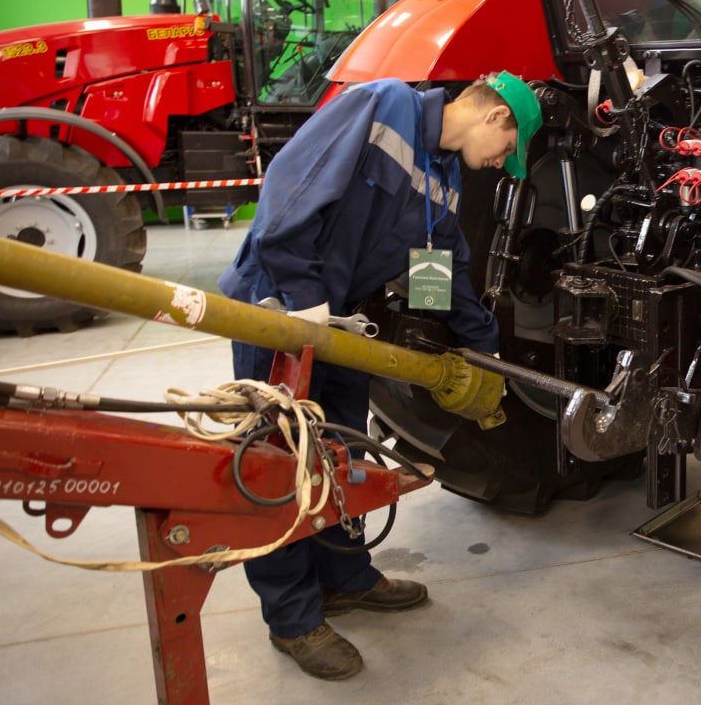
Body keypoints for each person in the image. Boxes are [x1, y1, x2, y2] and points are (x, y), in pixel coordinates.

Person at [218, 72, 542, 680]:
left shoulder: (444, 181)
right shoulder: (383, 104)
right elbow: (291, 188)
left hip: (340, 323)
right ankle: (291, 617)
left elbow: (436, 276)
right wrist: (303, 300)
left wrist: (483, 347)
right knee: (278, 462)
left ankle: (344, 576)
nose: (501, 164)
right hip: (279, 308)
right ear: (497, 118)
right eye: (507, 151)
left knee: (339, 446)